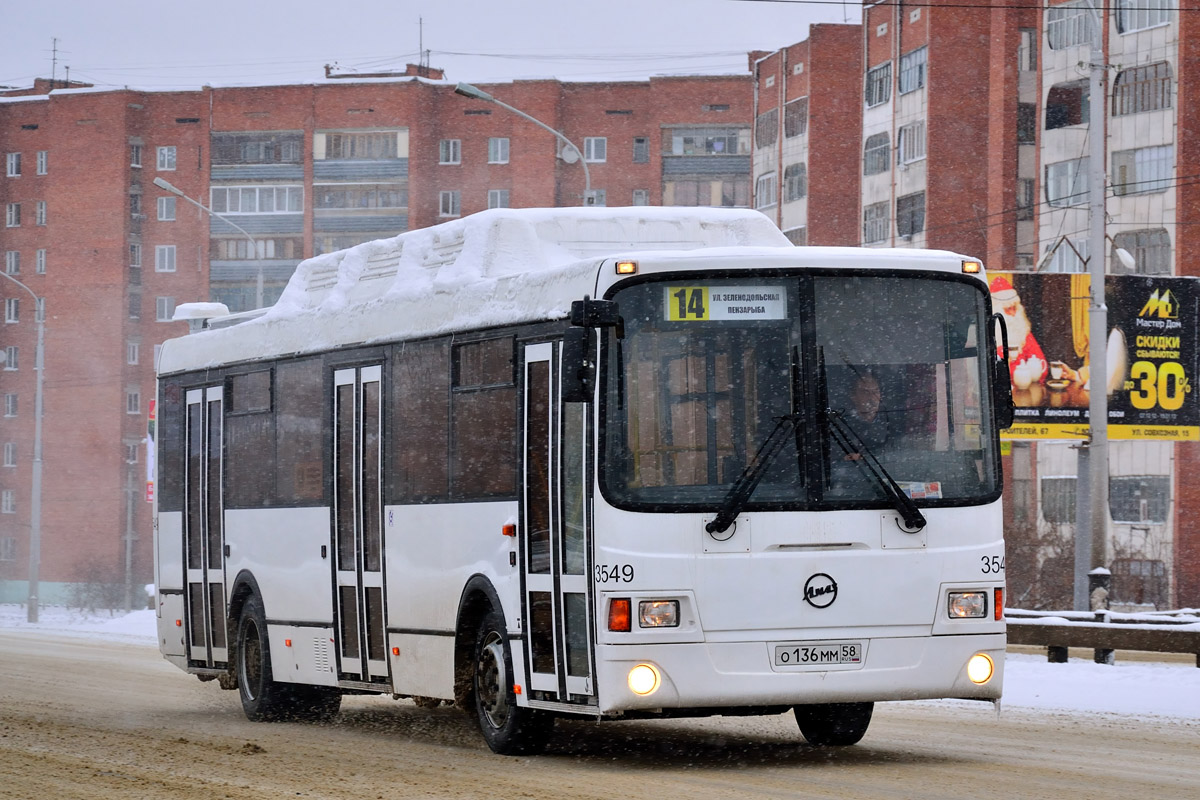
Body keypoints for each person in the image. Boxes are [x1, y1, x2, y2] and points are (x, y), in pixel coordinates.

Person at [990, 274, 1047, 384]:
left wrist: (1028, 374)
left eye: (1014, 308)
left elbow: (1042, 362)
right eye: (1007, 309)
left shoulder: (1023, 332)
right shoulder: (988, 337)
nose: (1012, 313)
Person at [843, 372, 889, 458]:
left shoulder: (892, 423)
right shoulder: (842, 427)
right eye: (865, 392)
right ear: (853, 396)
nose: (872, 398)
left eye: (875, 392)